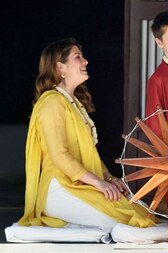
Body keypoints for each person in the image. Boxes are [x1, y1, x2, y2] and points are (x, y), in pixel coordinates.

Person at [18, 38, 155, 232]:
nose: (85, 62)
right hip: (59, 188)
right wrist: (98, 182)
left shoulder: (73, 103)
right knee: (126, 222)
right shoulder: (52, 103)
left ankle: (76, 224)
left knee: (138, 210)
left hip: (79, 184)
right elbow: (59, 155)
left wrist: (109, 179)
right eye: (78, 57)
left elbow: (90, 154)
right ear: (60, 67)